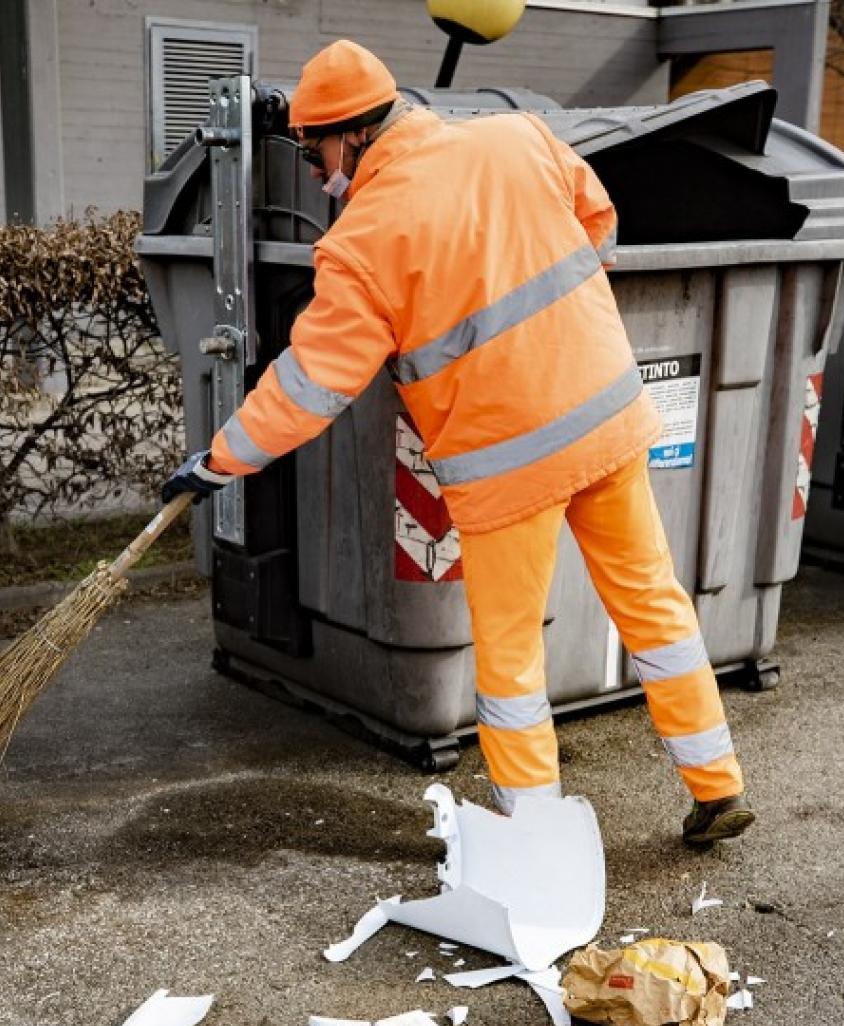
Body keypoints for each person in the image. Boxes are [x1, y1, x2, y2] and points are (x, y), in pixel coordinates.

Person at [161, 39, 753, 846]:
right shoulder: (517, 137)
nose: (311, 171)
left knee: (511, 663)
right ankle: (716, 784)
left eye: (313, 150)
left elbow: (311, 385)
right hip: (606, 420)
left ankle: (539, 839)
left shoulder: (361, 241)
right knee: (652, 602)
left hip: (507, 465)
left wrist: (219, 460)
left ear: (355, 134)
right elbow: (598, 222)